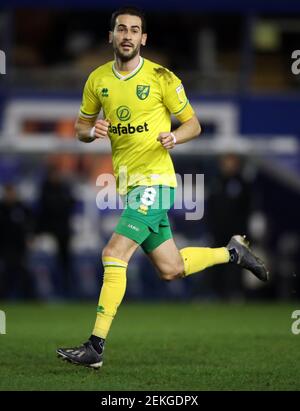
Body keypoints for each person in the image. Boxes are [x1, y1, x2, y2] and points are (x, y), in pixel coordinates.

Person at [57, 7, 268, 369]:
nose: (127, 35)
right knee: (171, 268)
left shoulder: (161, 77)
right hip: (129, 186)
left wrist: (175, 135)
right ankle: (232, 253)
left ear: (143, 39)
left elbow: (194, 125)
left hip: (156, 183)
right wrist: (93, 131)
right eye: (121, 29)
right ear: (110, 37)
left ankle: (95, 347)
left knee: (113, 253)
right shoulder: (97, 80)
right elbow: (80, 127)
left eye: (134, 30)